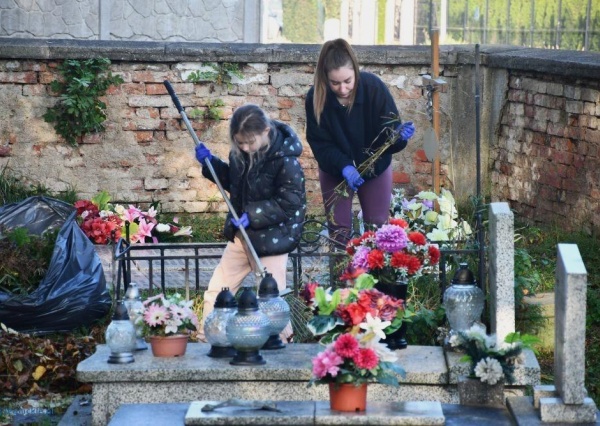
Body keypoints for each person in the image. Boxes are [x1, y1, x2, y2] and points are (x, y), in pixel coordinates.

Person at [195, 104, 306, 343]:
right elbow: (233, 183)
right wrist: (211, 164)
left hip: (273, 239)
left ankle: (282, 345)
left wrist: (253, 214)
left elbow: (289, 202)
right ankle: (207, 338)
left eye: (250, 142)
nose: (245, 147)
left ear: (266, 130)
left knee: (271, 300)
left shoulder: (286, 161)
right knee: (218, 288)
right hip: (242, 235)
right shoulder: (239, 153)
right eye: (239, 142)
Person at [305, 38, 415, 246]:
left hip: (375, 166)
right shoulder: (315, 98)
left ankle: (375, 276)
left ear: (355, 71)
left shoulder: (374, 88)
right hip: (335, 169)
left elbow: (388, 136)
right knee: (339, 231)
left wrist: (399, 136)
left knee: (377, 227)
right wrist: (344, 166)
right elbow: (319, 143)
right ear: (324, 78)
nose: (343, 88)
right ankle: (341, 278)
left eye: (347, 81)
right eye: (335, 83)